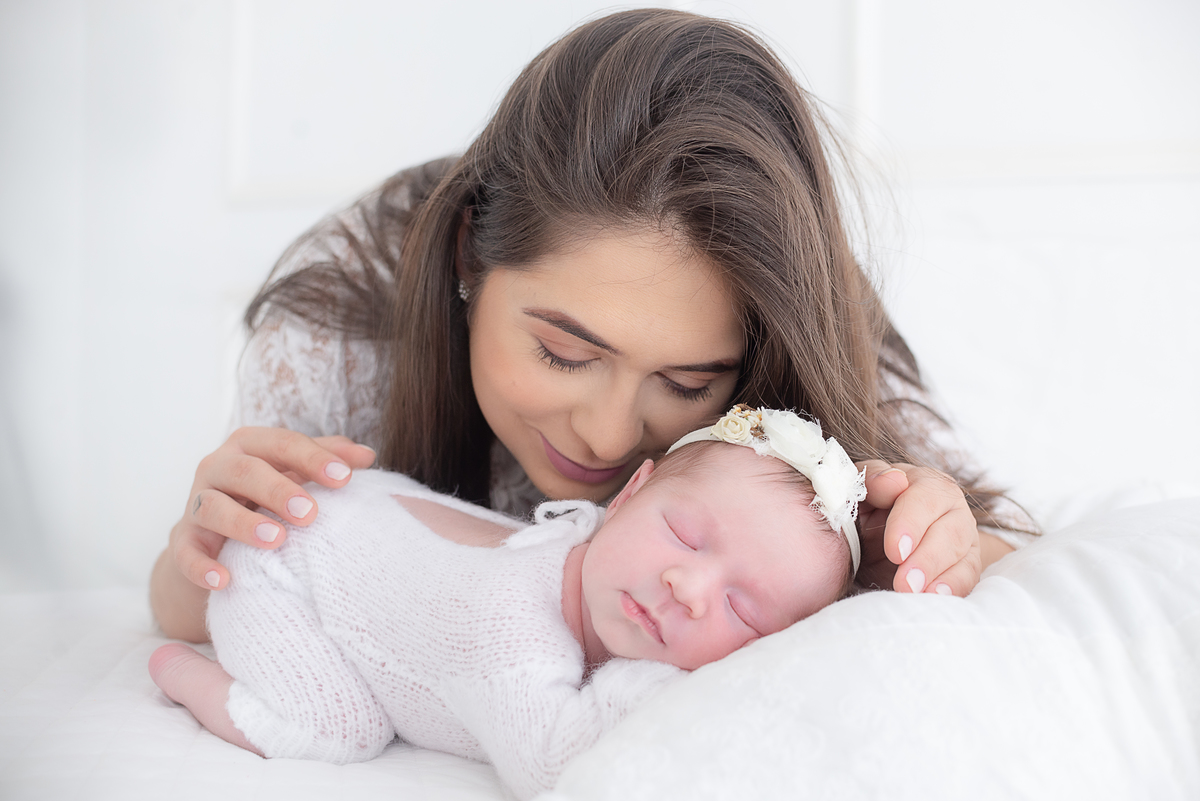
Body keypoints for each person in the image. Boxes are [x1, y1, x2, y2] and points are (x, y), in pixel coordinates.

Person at [150, 8, 1035, 644]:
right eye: (564, 351)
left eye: (691, 384)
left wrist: (929, 548)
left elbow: (1001, 544)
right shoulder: (345, 325)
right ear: (468, 254)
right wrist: (201, 543)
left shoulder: (797, 317)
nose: (612, 435)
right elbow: (209, 604)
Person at [149, 407, 866, 799]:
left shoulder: (592, 564)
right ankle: (186, 677)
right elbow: (554, 769)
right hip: (274, 557)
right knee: (341, 730)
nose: (690, 588)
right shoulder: (508, 627)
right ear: (628, 493)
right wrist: (667, 679)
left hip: (357, 522)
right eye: (681, 533)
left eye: (745, 611)